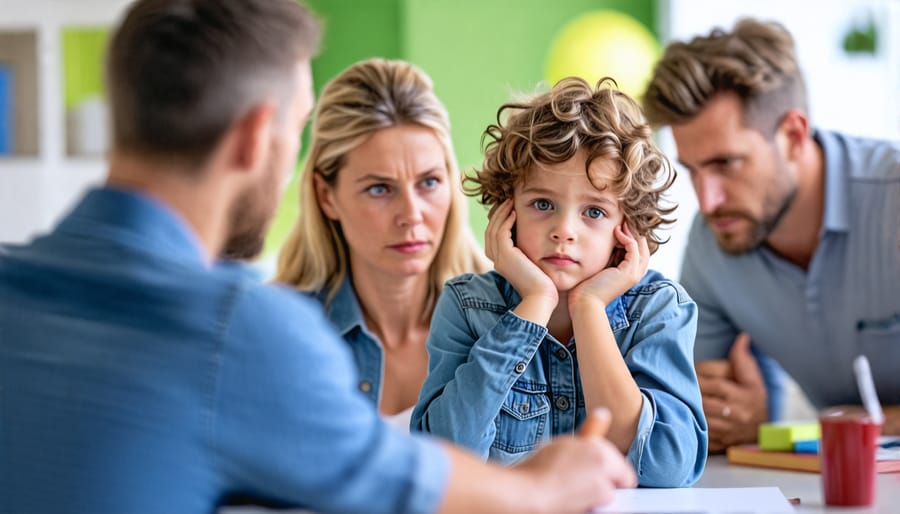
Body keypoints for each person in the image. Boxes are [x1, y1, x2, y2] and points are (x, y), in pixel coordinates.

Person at [0, 1, 639, 512]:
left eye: (428, 182)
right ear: (257, 136)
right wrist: (543, 488)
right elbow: (404, 483)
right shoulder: (243, 330)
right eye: (294, 127)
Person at [411, 77, 708, 488]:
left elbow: (667, 465)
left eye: (594, 212)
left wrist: (588, 309)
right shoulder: (466, 306)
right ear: (506, 211)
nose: (564, 230)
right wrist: (535, 302)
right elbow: (442, 458)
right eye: (543, 204)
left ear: (629, 226)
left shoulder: (658, 309)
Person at [642, 18, 900, 452]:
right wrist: (743, 417)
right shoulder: (712, 243)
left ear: (794, 135)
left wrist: (868, 423)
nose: (707, 200)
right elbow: (701, 409)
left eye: (726, 163)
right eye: (692, 169)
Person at [274, 58, 488, 429]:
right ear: (327, 196)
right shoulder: (279, 334)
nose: (411, 214)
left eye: (429, 182)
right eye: (379, 188)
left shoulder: (506, 320)